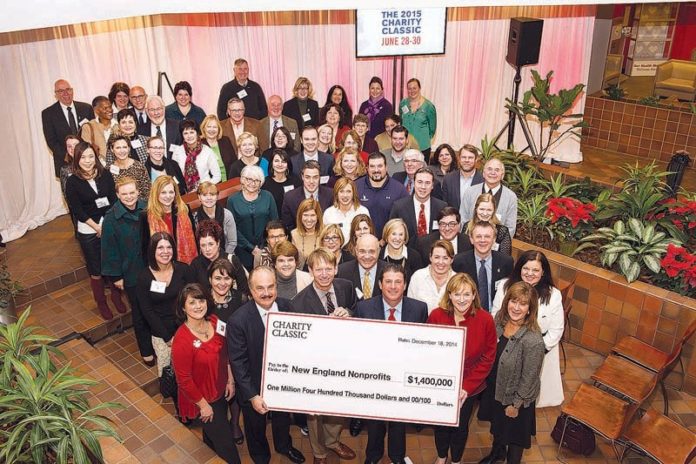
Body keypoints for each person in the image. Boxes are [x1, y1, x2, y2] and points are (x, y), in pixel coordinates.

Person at [227, 267, 305, 464]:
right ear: (251, 291)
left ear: (276, 287)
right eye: (260, 288)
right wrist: (253, 395)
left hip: (282, 383)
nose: (266, 293)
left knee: (282, 420)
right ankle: (261, 456)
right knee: (255, 427)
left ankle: (284, 446)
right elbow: (238, 363)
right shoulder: (238, 321)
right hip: (253, 386)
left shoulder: (288, 307)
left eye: (271, 287)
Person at [355, 264, 428, 464]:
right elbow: (358, 345)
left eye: (398, 282)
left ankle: (397, 456)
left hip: (403, 377)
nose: (393, 286)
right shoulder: (364, 308)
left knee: (399, 421)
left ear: (405, 285)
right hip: (375, 376)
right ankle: (373, 455)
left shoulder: (419, 309)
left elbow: (423, 345)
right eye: (388, 281)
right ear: (380, 284)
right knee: (375, 421)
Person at [291, 249, 357, 463]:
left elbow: (358, 311)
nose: (324, 273)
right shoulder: (298, 303)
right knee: (314, 414)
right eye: (318, 269)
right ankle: (319, 453)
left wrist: (349, 313)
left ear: (336, 268)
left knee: (338, 407)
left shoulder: (345, 287)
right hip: (315, 366)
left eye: (328, 268)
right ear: (310, 271)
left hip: (343, 361)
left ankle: (333, 441)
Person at [428, 273, 497, 464]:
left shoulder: (485, 320)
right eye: (457, 294)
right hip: (440, 383)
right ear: (449, 295)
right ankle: (441, 457)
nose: (462, 299)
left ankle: (456, 460)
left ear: (474, 295)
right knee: (440, 425)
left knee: (461, 426)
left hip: (470, 386)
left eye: (467, 294)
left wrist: (466, 388)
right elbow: (428, 351)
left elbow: (488, 357)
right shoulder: (436, 315)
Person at [170, 283, 241, 463]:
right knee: (228, 447)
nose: (198, 306)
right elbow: (184, 380)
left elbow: (225, 354)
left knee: (212, 438)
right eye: (192, 303)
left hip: (221, 391)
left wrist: (230, 380)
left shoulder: (215, 321)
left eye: (201, 300)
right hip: (205, 398)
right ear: (183, 308)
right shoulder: (181, 340)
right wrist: (203, 406)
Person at [478, 282, 545, 464]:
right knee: (498, 426)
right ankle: (497, 453)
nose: (516, 308)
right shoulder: (499, 321)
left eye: (523, 304)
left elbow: (529, 378)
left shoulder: (533, 340)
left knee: (515, 437)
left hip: (517, 400)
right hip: (496, 388)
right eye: (513, 301)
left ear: (530, 310)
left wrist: (515, 404)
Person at [491, 251, 564, 408]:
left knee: (528, 395)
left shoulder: (553, 295)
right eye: (526, 268)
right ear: (519, 268)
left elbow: (556, 330)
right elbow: (495, 315)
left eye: (536, 270)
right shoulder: (505, 286)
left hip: (539, 351)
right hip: (507, 352)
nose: (530, 274)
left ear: (543, 272)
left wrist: (536, 352)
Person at [65, 142, 122, 320]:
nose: (88, 161)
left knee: (112, 262)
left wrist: (105, 225)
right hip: (88, 229)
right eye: (83, 157)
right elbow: (77, 210)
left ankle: (116, 296)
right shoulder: (72, 181)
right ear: (77, 159)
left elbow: (113, 200)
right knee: (95, 268)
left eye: (91, 156)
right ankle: (102, 303)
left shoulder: (105, 174)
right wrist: (96, 227)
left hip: (108, 224)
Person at [101, 177, 152, 365]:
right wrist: (116, 276)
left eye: (132, 192)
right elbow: (109, 250)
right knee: (139, 313)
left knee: (155, 307)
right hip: (131, 273)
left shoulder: (147, 207)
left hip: (151, 269)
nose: (129, 197)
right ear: (117, 195)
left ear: (138, 191)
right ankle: (146, 349)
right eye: (124, 194)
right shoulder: (111, 219)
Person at [136, 232, 191, 377]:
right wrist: (167, 337)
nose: (165, 252)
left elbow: (192, 298)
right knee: (168, 372)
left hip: (185, 327)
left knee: (189, 366)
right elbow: (147, 311)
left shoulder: (183, 270)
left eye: (169, 247)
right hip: (161, 332)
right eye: (160, 248)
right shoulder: (144, 277)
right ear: (152, 251)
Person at [206, 258, 246, 446]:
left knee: (235, 392)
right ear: (209, 280)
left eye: (227, 278)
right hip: (212, 357)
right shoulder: (202, 301)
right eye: (217, 278)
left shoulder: (240, 298)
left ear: (233, 280)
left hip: (235, 353)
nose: (222, 283)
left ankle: (235, 423)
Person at [453, 221, 514, 311]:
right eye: (478, 236)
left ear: (494, 240)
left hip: (496, 316)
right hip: (467, 314)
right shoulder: (458, 261)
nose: (482, 240)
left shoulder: (506, 262)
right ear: (471, 239)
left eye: (487, 236)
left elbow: (509, 293)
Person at [226, 165, 278, 269]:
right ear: (242, 180)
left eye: (257, 180)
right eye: (249, 179)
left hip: (266, 248)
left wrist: (265, 246)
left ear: (261, 183)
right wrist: (251, 248)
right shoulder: (232, 200)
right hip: (242, 250)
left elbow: (275, 223)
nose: (252, 184)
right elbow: (232, 228)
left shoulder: (268, 196)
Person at [42, 79, 95, 177]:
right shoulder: (48, 114)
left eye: (68, 89)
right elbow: (51, 141)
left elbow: (93, 134)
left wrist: (88, 154)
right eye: (61, 91)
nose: (66, 93)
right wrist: (68, 155)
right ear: (56, 94)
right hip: (65, 162)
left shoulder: (86, 108)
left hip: (88, 161)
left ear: (72, 90)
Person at [142, 175, 198, 264]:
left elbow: (195, 239)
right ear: (156, 194)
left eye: (171, 192)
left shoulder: (184, 210)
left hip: (186, 266)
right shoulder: (146, 216)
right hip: (160, 268)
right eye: (163, 192)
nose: (168, 196)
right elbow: (145, 247)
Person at [189, 220, 248, 297]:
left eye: (211, 244)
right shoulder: (195, 264)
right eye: (203, 245)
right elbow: (193, 293)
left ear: (218, 243)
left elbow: (244, 291)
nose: (207, 249)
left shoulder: (232, 260)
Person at [461, 158, 518, 237]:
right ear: (483, 173)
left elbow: (510, 228)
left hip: (497, 245)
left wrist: (494, 243)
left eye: (497, 170)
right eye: (489, 169)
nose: (493, 173)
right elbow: (463, 219)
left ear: (502, 175)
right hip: (471, 242)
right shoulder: (470, 192)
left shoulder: (511, 197)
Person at [390, 167, 447, 246]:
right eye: (419, 182)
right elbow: (391, 232)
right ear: (414, 183)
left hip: (433, 253)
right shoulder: (399, 207)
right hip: (408, 253)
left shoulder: (442, 207)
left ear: (432, 186)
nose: (423, 187)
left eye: (427, 183)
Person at [356, 152, 409, 237]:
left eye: (380, 166)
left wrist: (384, 241)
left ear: (386, 167)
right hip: (362, 242)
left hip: (389, 243)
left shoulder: (399, 189)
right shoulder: (356, 187)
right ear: (367, 168)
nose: (376, 170)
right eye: (372, 166)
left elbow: (404, 221)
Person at [171, 119, 222, 192]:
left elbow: (217, 176)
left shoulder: (207, 151)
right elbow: (174, 175)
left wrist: (203, 188)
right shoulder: (177, 152)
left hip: (204, 192)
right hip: (184, 193)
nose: (189, 136)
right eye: (185, 133)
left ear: (197, 133)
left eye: (192, 132)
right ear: (182, 135)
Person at [281, 161, 333, 230]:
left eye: (315, 177)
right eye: (307, 177)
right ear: (302, 177)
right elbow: (288, 226)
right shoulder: (290, 197)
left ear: (320, 177)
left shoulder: (331, 194)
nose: (311, 181)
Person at [407, 240, 456, 314]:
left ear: (452, 260)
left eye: (445, 258)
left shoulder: (457, 280)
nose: (440, 262)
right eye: (437, 257)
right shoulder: (418, 277)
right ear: (430, 257)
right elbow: (410, 308)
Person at [192, 182, 238, 255]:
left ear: (217, 196)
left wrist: (221, 258)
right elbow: (197, 244)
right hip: (205, 257)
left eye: (212, 194)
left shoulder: (227, 215)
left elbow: (232, 242)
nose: (209, 198)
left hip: (226, 255)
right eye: (204, 195)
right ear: (199, 197)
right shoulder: (195, 218)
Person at [337, 234, 385, 301]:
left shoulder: (389, 271)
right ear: (356, 251)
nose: (367, 256)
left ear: (379, 251)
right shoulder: (342, 272)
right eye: (362, 251)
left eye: (371, 251)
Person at [399, 78, 437, 161]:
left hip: (422, 146)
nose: (412, 91)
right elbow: (401, 122)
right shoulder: (403, 104)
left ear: (419, 88)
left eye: (414, 88)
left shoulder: (428, 106)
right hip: (406, 146)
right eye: (409, 88)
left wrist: (422, 137)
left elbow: (432, 129)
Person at [441, 144, 484, 217]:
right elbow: (444, 204)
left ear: (476, 159)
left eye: (470, 157)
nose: (467, 160)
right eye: (464, 157)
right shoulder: (448, 179)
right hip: (453, 223)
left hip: (476, 224)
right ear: (459, 159)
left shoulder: (483, 180)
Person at [106, 134, 150, 200]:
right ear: (112, 149)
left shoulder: (139, 166)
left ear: (129, 148)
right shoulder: (108, 169)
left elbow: (147, 190)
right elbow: (109, 193)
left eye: (124, 147)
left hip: (141, 206)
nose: (122, 151)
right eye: (118, 148)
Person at [261, 149, 301, 214]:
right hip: (271, 222)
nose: (280, 164)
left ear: (288, 164)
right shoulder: (264, 183)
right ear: (271, 163)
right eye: (276, 161)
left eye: (283, 161)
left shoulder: (296, 181)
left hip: (292, 220)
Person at [80, 95, 116, 164]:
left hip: (118, 166)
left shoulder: (118, 124)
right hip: (98, 167)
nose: (110, 110)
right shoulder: (88, 127)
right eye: (105, 108)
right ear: (96, 110)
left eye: (110, 107)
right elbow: (86, 151)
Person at [201, 114, 237, 182]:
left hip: (229, 182)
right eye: (209, 127)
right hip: (210, 186)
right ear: (204, 128)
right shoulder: (199, 144)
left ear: (219, 129)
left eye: (215, 127)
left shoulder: (225, 140)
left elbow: (234, 162)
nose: (212, 130)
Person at [291, 198, 323, 264]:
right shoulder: (294, 234)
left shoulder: (326, 232)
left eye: (312, 215)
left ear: (318, 216)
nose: (309, 219)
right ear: (300, 216)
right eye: (305, 215)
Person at [59, 135, 80, 200]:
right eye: (69, 146)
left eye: (75, 145)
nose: (72, 148)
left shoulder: (92, 164)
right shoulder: (65, 170)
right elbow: (67, 196)